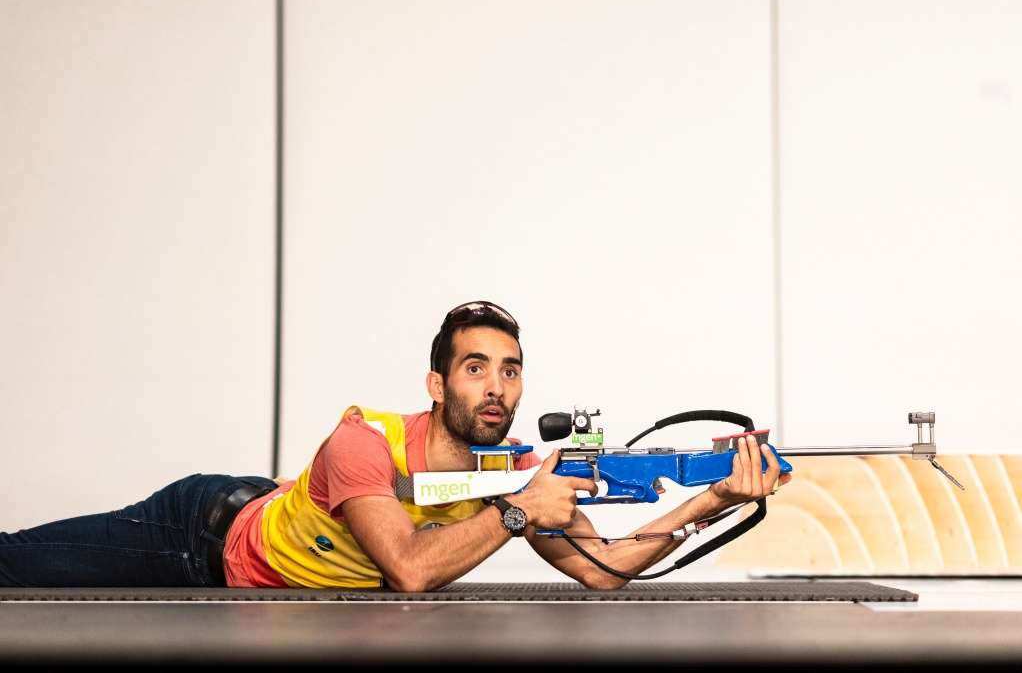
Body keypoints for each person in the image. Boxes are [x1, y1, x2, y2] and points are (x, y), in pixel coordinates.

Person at [0, 301, 790, 590]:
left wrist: (716, 497)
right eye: (476, 367)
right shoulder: (362, 441)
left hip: (290, 520)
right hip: (204, 533)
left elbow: (606, 570)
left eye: (510, 371)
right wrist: (517, 513)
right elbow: (408, 570)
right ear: (437, 385)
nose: (497, 387)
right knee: (17, 564)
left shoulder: (508, 468)